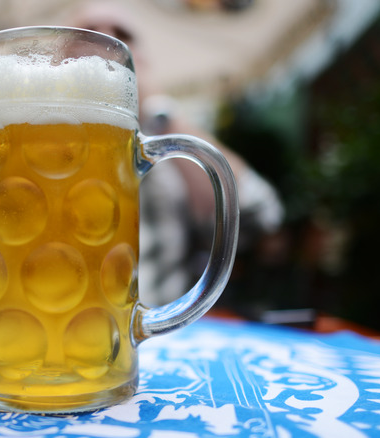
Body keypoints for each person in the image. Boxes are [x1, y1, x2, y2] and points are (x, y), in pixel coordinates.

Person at [69, 1, 284, 305]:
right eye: (88, 33)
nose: (108, 44)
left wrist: (155, 104)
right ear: (58, 59)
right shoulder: (25, 146)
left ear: (141, 59)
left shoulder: (163, 144)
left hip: (153, 333)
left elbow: (258, 214)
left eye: (122, 34)